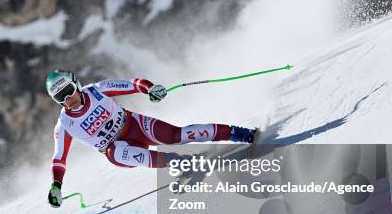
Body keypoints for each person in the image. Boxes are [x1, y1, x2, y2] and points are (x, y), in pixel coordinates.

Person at [45, 70, 256, 207]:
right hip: (118, 149)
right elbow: (59, 157)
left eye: (69, 91)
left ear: (76, 84)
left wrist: (151, 88)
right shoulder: (65, 124)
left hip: (134, 125)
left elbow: (132, 83)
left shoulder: (96, 91)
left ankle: (237, 133)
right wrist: (56, 185)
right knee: (116, 151)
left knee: (177, 135)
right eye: (59, 98)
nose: (68, 100)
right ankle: (179, 162)